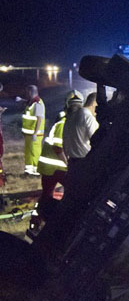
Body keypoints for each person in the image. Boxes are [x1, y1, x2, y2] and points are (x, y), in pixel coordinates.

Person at [33, 92, 77, 225]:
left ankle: (38, 219)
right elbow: (58, 148)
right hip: (55, 168)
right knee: (73, 190)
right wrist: (69, 164)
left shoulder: (63, 120)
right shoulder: (64, 123)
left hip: (51, 167)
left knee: (47, 194)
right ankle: (51, 219)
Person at [63, 91, 98, 169]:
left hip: (72, 161)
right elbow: (96, 141)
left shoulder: (69, 118)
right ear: (94, 104)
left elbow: (64, 144)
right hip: (86, 161)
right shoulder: (87, 116)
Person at [21, 84, 45, 175]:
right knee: (28, 152)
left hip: (35, 134)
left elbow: (39, 119)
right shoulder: (32, 102)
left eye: (27, 92)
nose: (26, 94)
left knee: (35, 152)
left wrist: (35, 133)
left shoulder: (38, 103)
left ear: (31, 92)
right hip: (28, 134)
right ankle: (28, 170)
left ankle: (36, 171)